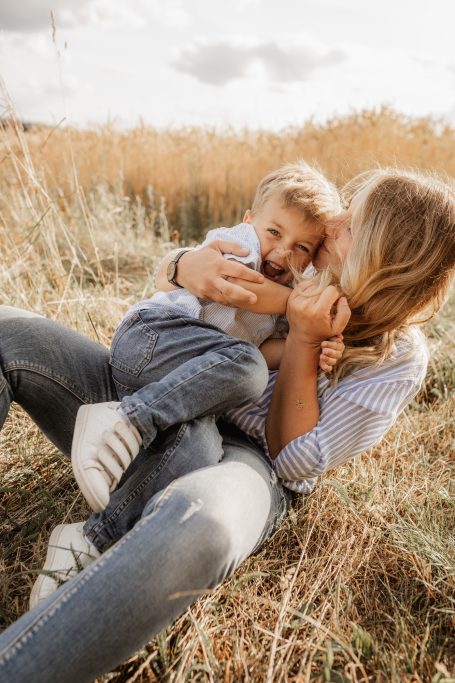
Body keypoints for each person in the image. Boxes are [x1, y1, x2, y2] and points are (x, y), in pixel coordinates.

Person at [0, 168, 453, 683]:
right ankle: (121, 433)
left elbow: (293, 456)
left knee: (204, 524)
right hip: (166, 398)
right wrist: (180, 264)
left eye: (353, 222)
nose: (334, 219)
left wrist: (304, 342)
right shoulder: (300, 267)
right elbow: (197, 284)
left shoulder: (395, 358)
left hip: (246, 460)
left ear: (382, 255)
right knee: (6, 330)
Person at [70, 162, 343, 513]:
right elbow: (236, 289)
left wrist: (311, 340)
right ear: (249, 220)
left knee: (202, 447)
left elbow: (267, 350)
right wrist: (300, 304)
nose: (283, 251)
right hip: (153, 338)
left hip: (174, 381)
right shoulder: (241, 244)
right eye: (274, 232)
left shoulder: (283, 294)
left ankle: (100, 529)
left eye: (301, 247)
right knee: (249, 365)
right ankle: (126, 420)